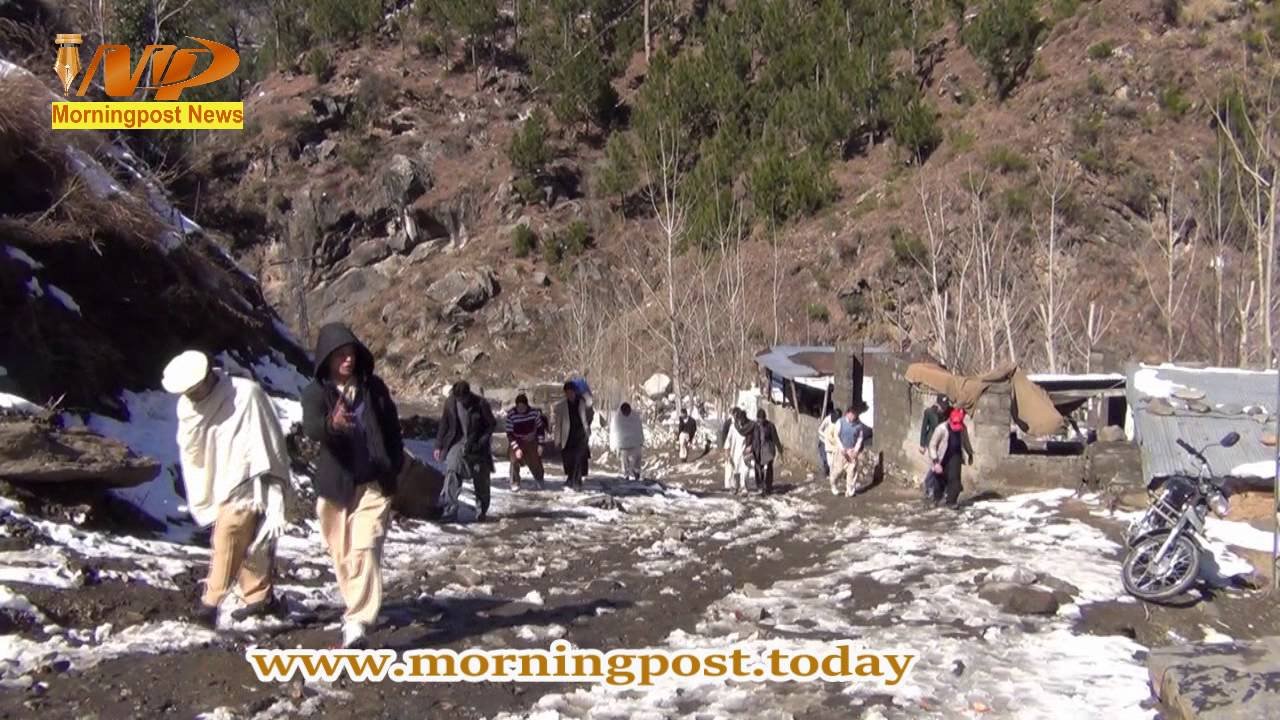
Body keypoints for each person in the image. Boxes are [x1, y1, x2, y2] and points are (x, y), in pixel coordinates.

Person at [163, 350, 290, 630]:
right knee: (250, 540)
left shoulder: (245, 395)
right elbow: (193, 446)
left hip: (250, 478)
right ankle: (259, 598)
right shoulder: (188, 408)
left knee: (228, 536)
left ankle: (210, 603)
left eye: (197, 389)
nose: (195, 396)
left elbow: (264, 437)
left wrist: (270, 480)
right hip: (219, 477)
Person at [301, 323, 403, 650]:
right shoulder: (316, 393)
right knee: (342, 555)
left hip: (373, 483)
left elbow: (392, 429)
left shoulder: (374, 389)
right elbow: (312, 427)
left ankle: (357, 621)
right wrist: (331, 425)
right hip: (335, 487)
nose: (347, 360)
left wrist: (394, 466)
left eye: (351, 354)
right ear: (327, 359)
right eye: (340, 355)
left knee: (365, 547)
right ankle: (355, 606)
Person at [435, 381, 496, 520]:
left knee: (481, 478)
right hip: (457, 441)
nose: (461, 401)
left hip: (477, 444)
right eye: (458, 399)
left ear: (468, 395)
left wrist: (481, 442)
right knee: (452, 471)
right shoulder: (450, 403)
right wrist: (438, 445)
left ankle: (482, 511)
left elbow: (491, 424)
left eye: (463, 399)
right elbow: (444, 423)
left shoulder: (481, 404)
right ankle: (450, 510)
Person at [927, 407, 975, 508]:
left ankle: (951, 502)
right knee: (939, 480)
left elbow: (965, 440)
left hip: (955, 456)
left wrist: (970, 453)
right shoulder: (941, 429)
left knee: (955, 480)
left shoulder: (963, 428)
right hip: (942, 457)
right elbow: (932, 445)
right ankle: (937, 499)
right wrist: (935, 462)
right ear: (950, 419)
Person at [553, 380, 593, 490]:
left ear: (575, 392)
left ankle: (577, 481)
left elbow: (589, 415)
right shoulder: (561, 406)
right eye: (567, 392)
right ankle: (571, 478)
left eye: (571, 392)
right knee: (569, 459)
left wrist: (588, 431)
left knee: (579, 459)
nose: (570, 394)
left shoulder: (582, 403)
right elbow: (558, 424)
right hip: (567, 436)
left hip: (580, 436)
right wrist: (557, 439)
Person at [505, 393, 547, 491]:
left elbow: (540, 429)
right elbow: (509, 434)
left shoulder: (534, 413)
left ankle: (539, 479)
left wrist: (541, 444)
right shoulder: (511, 415)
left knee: (535, 460)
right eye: (519, 407)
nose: (521, 409)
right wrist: (516, 448)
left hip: (531, 440)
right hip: (517, 440)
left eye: (523, 407)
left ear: (526, 405)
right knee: (514, 460)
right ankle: (515, 482)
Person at [829, 403, 869, 497]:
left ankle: (850, 490)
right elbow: (836, 435)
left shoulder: (859, 425)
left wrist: (856, 450)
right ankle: (833, 484)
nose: (853, 416)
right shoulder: (840, 422)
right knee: (837, 471)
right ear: (847, 413)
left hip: (852, 451)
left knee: (852, 471)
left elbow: (860, 438)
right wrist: (842, 448)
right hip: (842, 450)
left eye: (854, 415)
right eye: (851, 414)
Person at [919, 395, 950, 503]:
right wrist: (922, 444)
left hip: (943, 443)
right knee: (934, 466)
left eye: (946, 405)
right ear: (937, 404)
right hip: (932, 442)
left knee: (942, 466)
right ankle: (929, 487)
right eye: (942, 405)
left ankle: (941, 489)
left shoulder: (948, 413)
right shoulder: (929, 412)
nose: (944, 407)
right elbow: (924, 429)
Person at [609, 402, 645, 482]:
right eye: (625, 412)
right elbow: (614, 432)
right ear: (622, 411)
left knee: (637, 458)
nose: (626, 414)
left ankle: (636, 472)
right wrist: (613, 445)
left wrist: (641, 440)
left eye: (627, 412)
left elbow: (639, 429)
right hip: (623, 444)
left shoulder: (635, 417)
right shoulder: (617, 418)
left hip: (634, 442)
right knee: (624, 460)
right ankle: (626, 474)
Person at [720, 408, 754, 494]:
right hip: (734, 452)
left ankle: (744, 487)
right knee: (735, 470)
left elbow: (753, 438)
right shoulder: (733, 427)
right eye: (739, 419)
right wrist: (727, 451)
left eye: (742, 420)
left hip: (745, 451)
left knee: (745, 470)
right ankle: (735, 486)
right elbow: (728, 439)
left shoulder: (749, 426)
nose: (740, 421)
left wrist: (751, 447)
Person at [751, 408, 783, 496]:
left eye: (762, 419)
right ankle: (760, 485)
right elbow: (750, 437)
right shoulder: (754, 426)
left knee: (769, 468)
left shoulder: (770, 426)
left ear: (765, 418)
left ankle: (768, 487)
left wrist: (780, 449)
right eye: (759, 419)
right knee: (758, 468)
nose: (760, 421)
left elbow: (775, 438)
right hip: (757, 450)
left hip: (768, 450)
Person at [816, 405, 840, 480]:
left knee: (832, 460)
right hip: (823, 442)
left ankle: (832, 475)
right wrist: (826, 436)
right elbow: (819, 430)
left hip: (832, 443)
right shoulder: (828, 419)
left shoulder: (839, 422)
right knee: (825, 459)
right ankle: (825, 473)